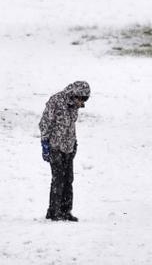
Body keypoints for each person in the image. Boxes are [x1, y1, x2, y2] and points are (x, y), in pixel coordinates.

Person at [39, 80, 91, 222]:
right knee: (58, 180)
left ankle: (66, 211)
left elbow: (70, 126)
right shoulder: (56, 101)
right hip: (55, 147)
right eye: (81, 99)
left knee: (68, 179)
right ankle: (54, 212)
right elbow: (45, 123)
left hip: (69, 147)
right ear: (75, 95)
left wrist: (75, 144)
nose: (82, 103)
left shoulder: (74, 105)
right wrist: (44, 143)